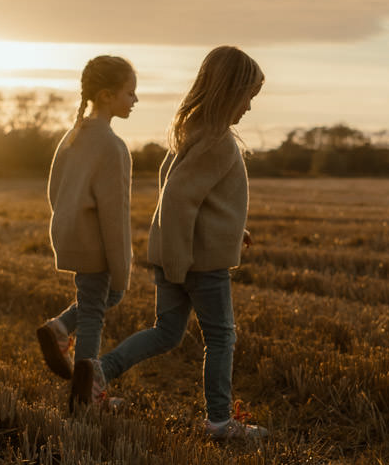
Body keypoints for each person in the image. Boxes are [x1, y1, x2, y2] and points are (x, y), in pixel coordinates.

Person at [72, 46, 267, 440]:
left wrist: (231, 231)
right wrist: (181, 264)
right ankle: (219, 422)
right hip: (199, 263)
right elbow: (179, 199)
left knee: (166, 332)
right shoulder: (219, 141)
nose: (248, 107)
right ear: (230, 92)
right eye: (247, 96)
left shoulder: (192, 131)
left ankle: (97, 373)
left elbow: (195, 197)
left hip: (179, 255)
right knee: (221, 337)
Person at [36, 56, 137, 405]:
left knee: (98, 299)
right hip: (96, 243)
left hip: (71, 236)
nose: (135, 100)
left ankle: (61, 327)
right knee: (95, 310)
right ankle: (88, 392)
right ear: (107, 95)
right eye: (130, 93)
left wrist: (67, 222)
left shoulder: (73, 136)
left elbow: (54, 190)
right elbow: (115, 216)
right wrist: (122, 267)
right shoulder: (112, 146)